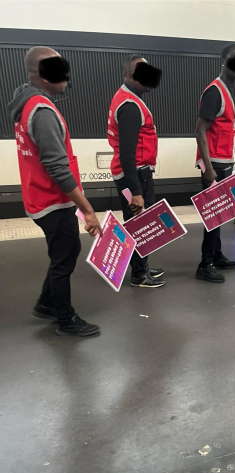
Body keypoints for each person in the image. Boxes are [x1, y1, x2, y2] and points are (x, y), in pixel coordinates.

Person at [8, 46, 102, 337]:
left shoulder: (24, 99)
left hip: (38, 195)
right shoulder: (43, 111)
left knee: (67, 250)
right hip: (51, 200)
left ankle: (47, 302)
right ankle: (65, 319)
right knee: (63, 259)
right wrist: (87, 209)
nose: (66, 78)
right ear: (42, 75)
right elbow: (58, 168)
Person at [107, 55, 165, 288]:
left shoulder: (128, 98)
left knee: (137, 222)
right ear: (129, 77)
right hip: (135, 176)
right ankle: (139, 275)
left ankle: (141, 266)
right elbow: (126, 154)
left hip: (136, 173)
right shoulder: (130, 106)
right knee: (140, 223)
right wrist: (137, 191)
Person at [194, 44, 235, 283]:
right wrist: (209, 168)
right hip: (212, 163)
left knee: (220, 213)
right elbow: (200, 130)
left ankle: (216, 253)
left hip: (223, 161)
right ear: (223, 61)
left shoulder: (227, 90)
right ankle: (205, 263)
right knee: (212, 215)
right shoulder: (214, 92)